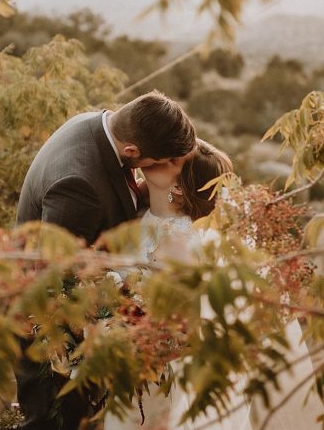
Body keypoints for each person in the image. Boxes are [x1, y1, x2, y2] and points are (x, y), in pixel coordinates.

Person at [15, 91, 198, 429]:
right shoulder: (78, 184)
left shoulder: (97, 124)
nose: (153, 171)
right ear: (132, 151)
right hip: (48, 329)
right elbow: (59, 279)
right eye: (154, 163)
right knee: (53, 419)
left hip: (86, 322)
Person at [105, 139, 253, 430]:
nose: (159, 157)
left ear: (179, 188)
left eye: (172, 160)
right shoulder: (140, 210)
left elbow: (184, 330)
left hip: (157, 378)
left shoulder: (180, 242)